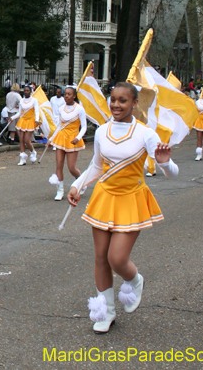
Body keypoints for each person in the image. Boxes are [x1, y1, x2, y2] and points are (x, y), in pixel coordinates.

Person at [68, 82, 178, 333]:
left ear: (135, 103)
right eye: (113, 99)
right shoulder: (101, 131)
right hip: (105, 197)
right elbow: (96, 166)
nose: (116, 105)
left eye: (123, 100)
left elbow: (172, 173)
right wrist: (77, 186)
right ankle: (106, 312)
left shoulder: (146, 133)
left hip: (131, 198)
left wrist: (165, 163)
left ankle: (134, 279)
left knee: (117, 258)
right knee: (100, 258)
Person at [49, 86, 86, 201]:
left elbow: (84, 127)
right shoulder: (61, 108)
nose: (66, 96)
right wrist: (51, 139)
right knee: (59, 166)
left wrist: (78, 137)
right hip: (61, 138)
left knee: (71, 167)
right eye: (65, 94)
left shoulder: (79, 109)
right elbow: (59, 126)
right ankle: (60, 191)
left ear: (74, 96)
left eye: (69, 94)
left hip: (73, 139)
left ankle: (81, 182)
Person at [9, 85, 42, 165]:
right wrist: (12, 117)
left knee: (27, 140)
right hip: (22, 121)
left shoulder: (34, 100)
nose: (26, 92)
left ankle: (33, 152)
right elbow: (19, 112)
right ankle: (22, 158)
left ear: (30, 91)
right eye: (25, 91)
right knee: (21, 140)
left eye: (27, 90)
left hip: (30, 121)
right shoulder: (22, 100)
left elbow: (37, 111)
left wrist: (37, 119)